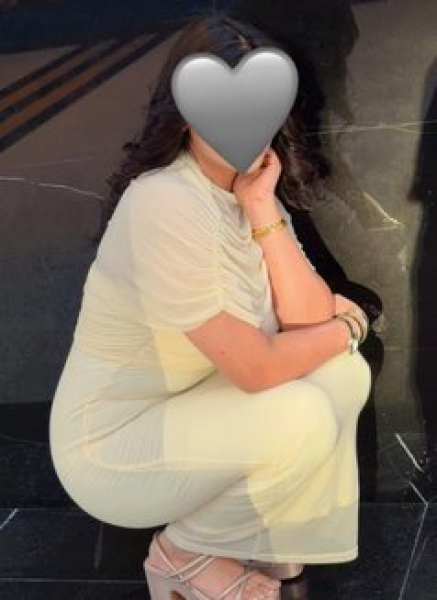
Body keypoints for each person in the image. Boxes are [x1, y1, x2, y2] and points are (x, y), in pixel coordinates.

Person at [48, 12, 372, 600]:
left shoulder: (244, 190)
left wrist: (262, 207)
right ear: (184, 113)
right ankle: (183, 554)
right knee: (300, 409)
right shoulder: (165, 202)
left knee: (341, 376)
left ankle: (269, 547)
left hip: (192, 407)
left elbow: (305, 317)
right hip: (114, 446)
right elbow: (257, 365)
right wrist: (348, 327)